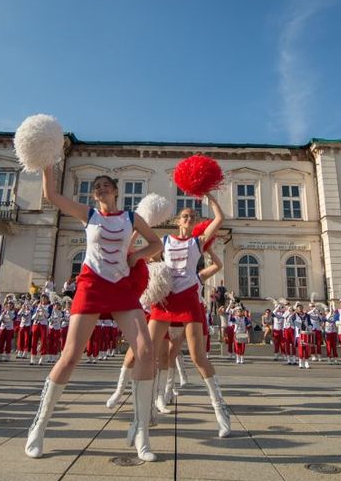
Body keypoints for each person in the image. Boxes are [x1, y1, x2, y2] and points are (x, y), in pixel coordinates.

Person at [26, 171, 162, 461]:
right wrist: (49, 164)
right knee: (71, 355)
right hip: (91, 284)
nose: (99, 189)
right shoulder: (88, 215)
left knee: (146, 351)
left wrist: (137, 256)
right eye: (95, 187)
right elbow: (52, 196)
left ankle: (140, 431)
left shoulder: (131, 218)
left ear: (115, 191)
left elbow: (156, 244)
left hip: (121, 286)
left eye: (105, 186)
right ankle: (39, 427)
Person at [147, 195, 223, 416]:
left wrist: (209, 196)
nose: (189, 218)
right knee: (150, 351)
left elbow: (219, 218)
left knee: (197, 355)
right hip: (166, 299)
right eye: (185, 216)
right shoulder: (164, 241)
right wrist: (156, 272)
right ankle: (155, 398)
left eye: (192, 216)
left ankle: (219, 408)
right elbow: (145, 259)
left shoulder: (197, 242)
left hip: (188, 299)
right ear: (178, 221)